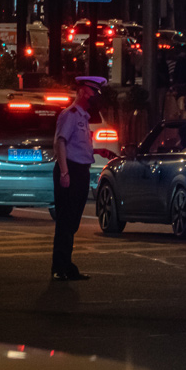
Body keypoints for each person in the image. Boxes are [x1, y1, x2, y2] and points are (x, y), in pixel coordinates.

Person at [51, 75, 107, 281]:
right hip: (71, 171)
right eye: (93, 91)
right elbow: (61, 143)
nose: (95, 96)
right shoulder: (70, 114)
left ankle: (66, 264)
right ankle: (60, 267)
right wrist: (64, 172)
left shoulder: (82, 116)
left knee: (72, 222)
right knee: (66, 221)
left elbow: (77, 145)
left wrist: (99, 151)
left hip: (81, 170)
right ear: (83, 91)